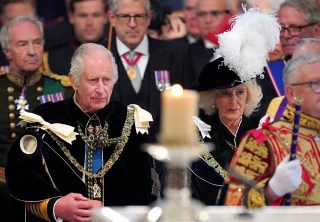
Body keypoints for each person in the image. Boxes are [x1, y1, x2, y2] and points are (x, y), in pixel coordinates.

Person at [5, 43, 160, 221]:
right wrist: (55, 207)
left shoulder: (132, 123)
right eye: (93, 80)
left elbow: (147, 192)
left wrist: (108, 212)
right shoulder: (45, 120)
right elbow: (21, 178)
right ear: (73, 80)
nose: (101, 89)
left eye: (107, 80)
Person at [0, 15, 73, 222]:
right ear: (7, 52)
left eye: (37, 43)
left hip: (49, 194)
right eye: (22, 44)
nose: (32, 51)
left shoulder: (64, 89)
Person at [222, 53, 320, 206]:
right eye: (315, 84)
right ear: (291, 94)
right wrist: (271, 191)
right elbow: (233, 206)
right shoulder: (263, 141)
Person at [108, 0, 196, 137]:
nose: (132, 24)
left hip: (164, 150)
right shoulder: (97, 57)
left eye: (139, 16)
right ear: (112, 18)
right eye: (125, 16)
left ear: (148, 18)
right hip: (113, 152)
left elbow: (192, 112)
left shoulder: (176, 54)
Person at [191, 56, 262, 205]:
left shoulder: (261, 130)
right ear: (213, 98)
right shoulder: (199, 136)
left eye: (240, 92)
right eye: (225, 93)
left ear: (248, 95)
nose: (234, 101)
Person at [44, 0, 110, 75]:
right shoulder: (52, 58)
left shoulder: (118, 55)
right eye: (82, 16)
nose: (89, 23)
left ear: (106, 17)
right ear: (71, 17)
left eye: (96, 15)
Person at [189, 0, 233, 78]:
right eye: (202, 14)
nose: (208, 20)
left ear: (229, 15)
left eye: (214, 13)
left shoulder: (244, 49)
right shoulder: (186, 54)